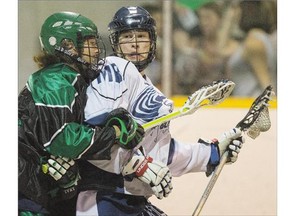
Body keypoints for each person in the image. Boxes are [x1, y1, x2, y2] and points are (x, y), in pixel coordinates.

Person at [75, 6, 244, 216]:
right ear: (116, 43)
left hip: (132, 201)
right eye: (127, 36)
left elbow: (162, 153)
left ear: (152, 42)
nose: (135, 43)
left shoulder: (152, 92)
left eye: (141, 36)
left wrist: (211, 153)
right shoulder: (112, 68)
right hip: (103, 197)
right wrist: (138, 165)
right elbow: (94, 135)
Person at [18, 11, 145, 216]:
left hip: (39, 189)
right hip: (24, 191)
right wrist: (113, 133)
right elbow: (61, 138)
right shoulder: (54, 80)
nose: (96, 50)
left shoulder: (71, 78)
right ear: (67, 46)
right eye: (90, 43)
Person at [174, 1, 240, 94]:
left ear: (220, 19)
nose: (204, 22)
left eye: (208, 18)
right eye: (201, 18)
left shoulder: (233, 45)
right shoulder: (195, 45)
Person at [227, 0, 277, 96]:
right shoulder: (255, 38)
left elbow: (267, 85)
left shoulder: (253, 43)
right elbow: (222, 50)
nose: (234, 14)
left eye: (236, 9)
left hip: (253, 103)